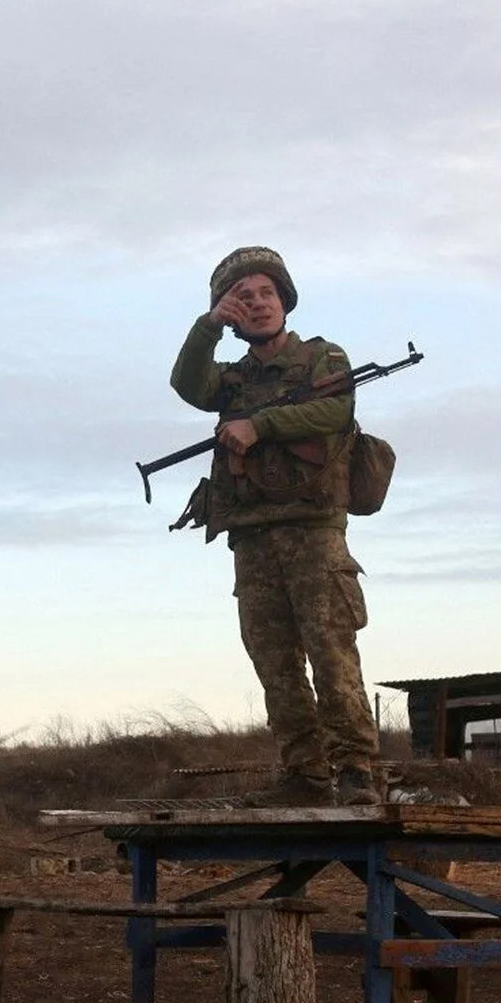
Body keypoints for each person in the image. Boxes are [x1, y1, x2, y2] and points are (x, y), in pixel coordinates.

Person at [169, 245, 380, 804]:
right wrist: (208, 326)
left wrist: (259, 426)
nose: (256, 304)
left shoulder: (323, 359)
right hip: (253, 535)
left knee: (331, 655)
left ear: (284, 300)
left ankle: (356, 771)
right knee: (275, 664)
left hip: (313, 532)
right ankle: (305, 777)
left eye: (265, 293)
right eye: (242, 297)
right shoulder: (232, 378)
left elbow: (334, 412)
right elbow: (188, 385)